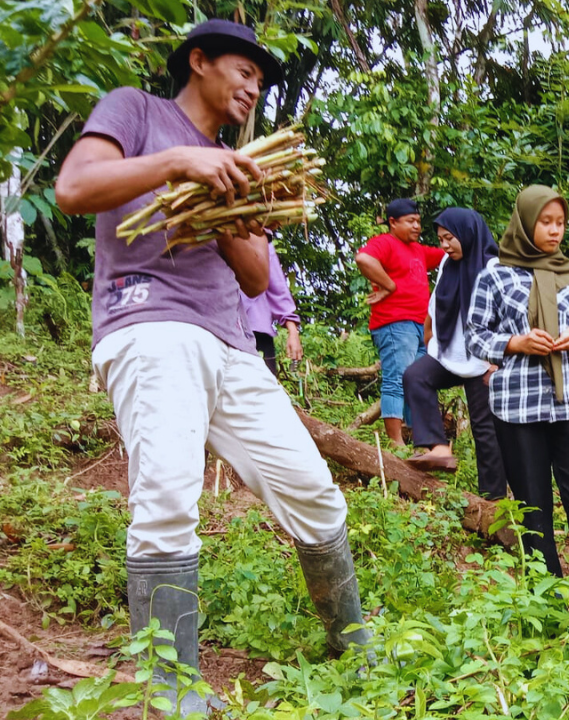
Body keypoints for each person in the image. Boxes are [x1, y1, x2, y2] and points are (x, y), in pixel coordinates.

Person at [55, 19, 371, 715]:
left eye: (261, 81)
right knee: (168, 501)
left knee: (315, 494)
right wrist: (178, 165)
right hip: (147, 323)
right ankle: (171, 692)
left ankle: (353, 645)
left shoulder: (241, 160)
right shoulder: (136, 110)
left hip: (230, 345)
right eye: (244, 71)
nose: (253, 87)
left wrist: (227, 207)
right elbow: (74, 189)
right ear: (198, 62)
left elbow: (257, 278)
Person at [467, 185, 569, 579]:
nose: (554, 231)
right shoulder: (494, 275)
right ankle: (547, 603)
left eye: (560, 223)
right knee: (533, 507)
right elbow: (474, 335)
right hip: (518, 406)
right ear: (526, 221)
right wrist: (515, 342)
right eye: (546, 222)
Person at [402, 209, 508, 497]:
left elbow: (508, 314)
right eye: (440, 239)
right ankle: (437, 447)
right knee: (415, 376)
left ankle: (493, 500)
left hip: (484, 359)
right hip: (451, 352)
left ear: (468, 233)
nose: (445, 245)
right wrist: (430, 333)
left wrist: (497, 360)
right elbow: (437, 301)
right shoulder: (448, 263)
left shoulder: (495, 267)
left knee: (485, 429)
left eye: (450, 238)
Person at [355, 199, 446, 446]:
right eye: (410, 221)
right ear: (393, 223)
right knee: (397, 378)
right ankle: (396, 442)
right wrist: (389, 285)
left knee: (418, 381)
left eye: (418, 221)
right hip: (396, 323)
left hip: (421, 326)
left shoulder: (418, 250)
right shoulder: (386, 242)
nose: (417, 226)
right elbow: (363, 259)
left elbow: (449, 252)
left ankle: (421, 440)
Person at [241, 241, 302, 377]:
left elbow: (277, 286)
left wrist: (293, 331)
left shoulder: (260, 239)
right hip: (218, 330)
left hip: (257, 332)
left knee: (263, 394)